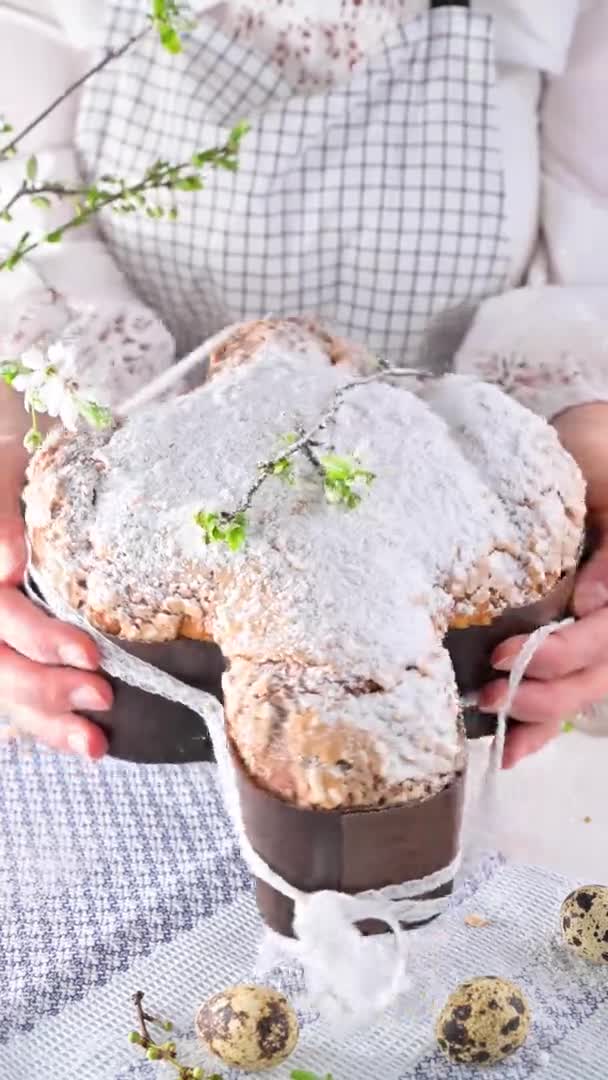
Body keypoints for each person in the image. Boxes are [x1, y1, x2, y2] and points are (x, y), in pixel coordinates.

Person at [1, 0, 608, 769]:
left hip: (450, 653)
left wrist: (590, 447)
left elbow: (590, 270)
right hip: (132, 660)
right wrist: (17, 424)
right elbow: (18, 222)